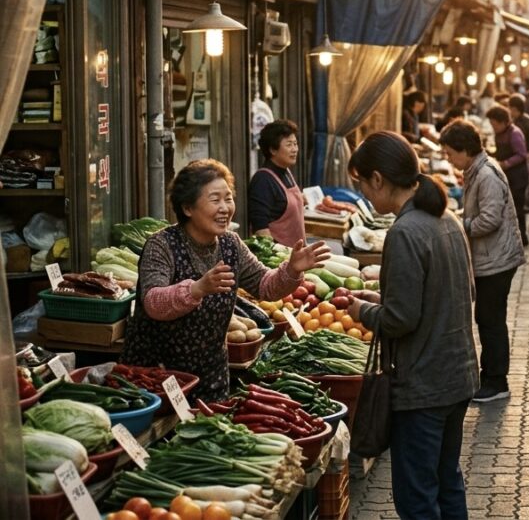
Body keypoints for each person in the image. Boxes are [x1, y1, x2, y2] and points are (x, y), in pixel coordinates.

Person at [345, 132, 478, 520]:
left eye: (363, 185)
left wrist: (362, 310)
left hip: (424, 385)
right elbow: (461, 290)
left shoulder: (404, 231)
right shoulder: (446, 219)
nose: (366, 196)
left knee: (417, 497)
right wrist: (385, 299)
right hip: (458, 375)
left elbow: (400, 320)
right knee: (447, 482)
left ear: (377, 179)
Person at [121, 160, 330, 401]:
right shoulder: (162, 245)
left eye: (228, 198)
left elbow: (265, 286)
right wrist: (197, 289)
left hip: (211, 379)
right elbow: (153, 303)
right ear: (188, 207)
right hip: (154, 380)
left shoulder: (231, 244)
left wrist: (292, 270)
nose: (225, 208)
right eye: (215, 199)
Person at [439, 121, 526, 403]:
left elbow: (489, 218)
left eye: (450, 152)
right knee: (488, 318)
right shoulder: (477, 169)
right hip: (492, 256)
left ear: (465, 149)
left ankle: (496, 381)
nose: (448, 158)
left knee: (491, 320)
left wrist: (461, 225)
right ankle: (489, 376)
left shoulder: (486, 174)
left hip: (496, 259)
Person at [249, 120, 306, 245]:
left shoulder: (286, 172)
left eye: (295, 144)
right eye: (289, 145)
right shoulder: (263, 180)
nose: (294, 149)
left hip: (297, 254)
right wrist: (276, 257)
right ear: (273, 150)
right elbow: (261, 229)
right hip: (280, 259)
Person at [486, 105, 529, 246]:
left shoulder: (515, 133)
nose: (494, 127)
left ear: (504, 122)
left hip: (518, 176)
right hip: (507, 177)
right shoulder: (500, 133)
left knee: (518, 208)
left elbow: (522, 155)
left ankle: (522, 237)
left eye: (495, 124)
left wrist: (506, 163)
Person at [508, 93, 529, 161]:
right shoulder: (511, 120)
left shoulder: (527, 121)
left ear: (514, 108)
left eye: (510, 108)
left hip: (525, 155)